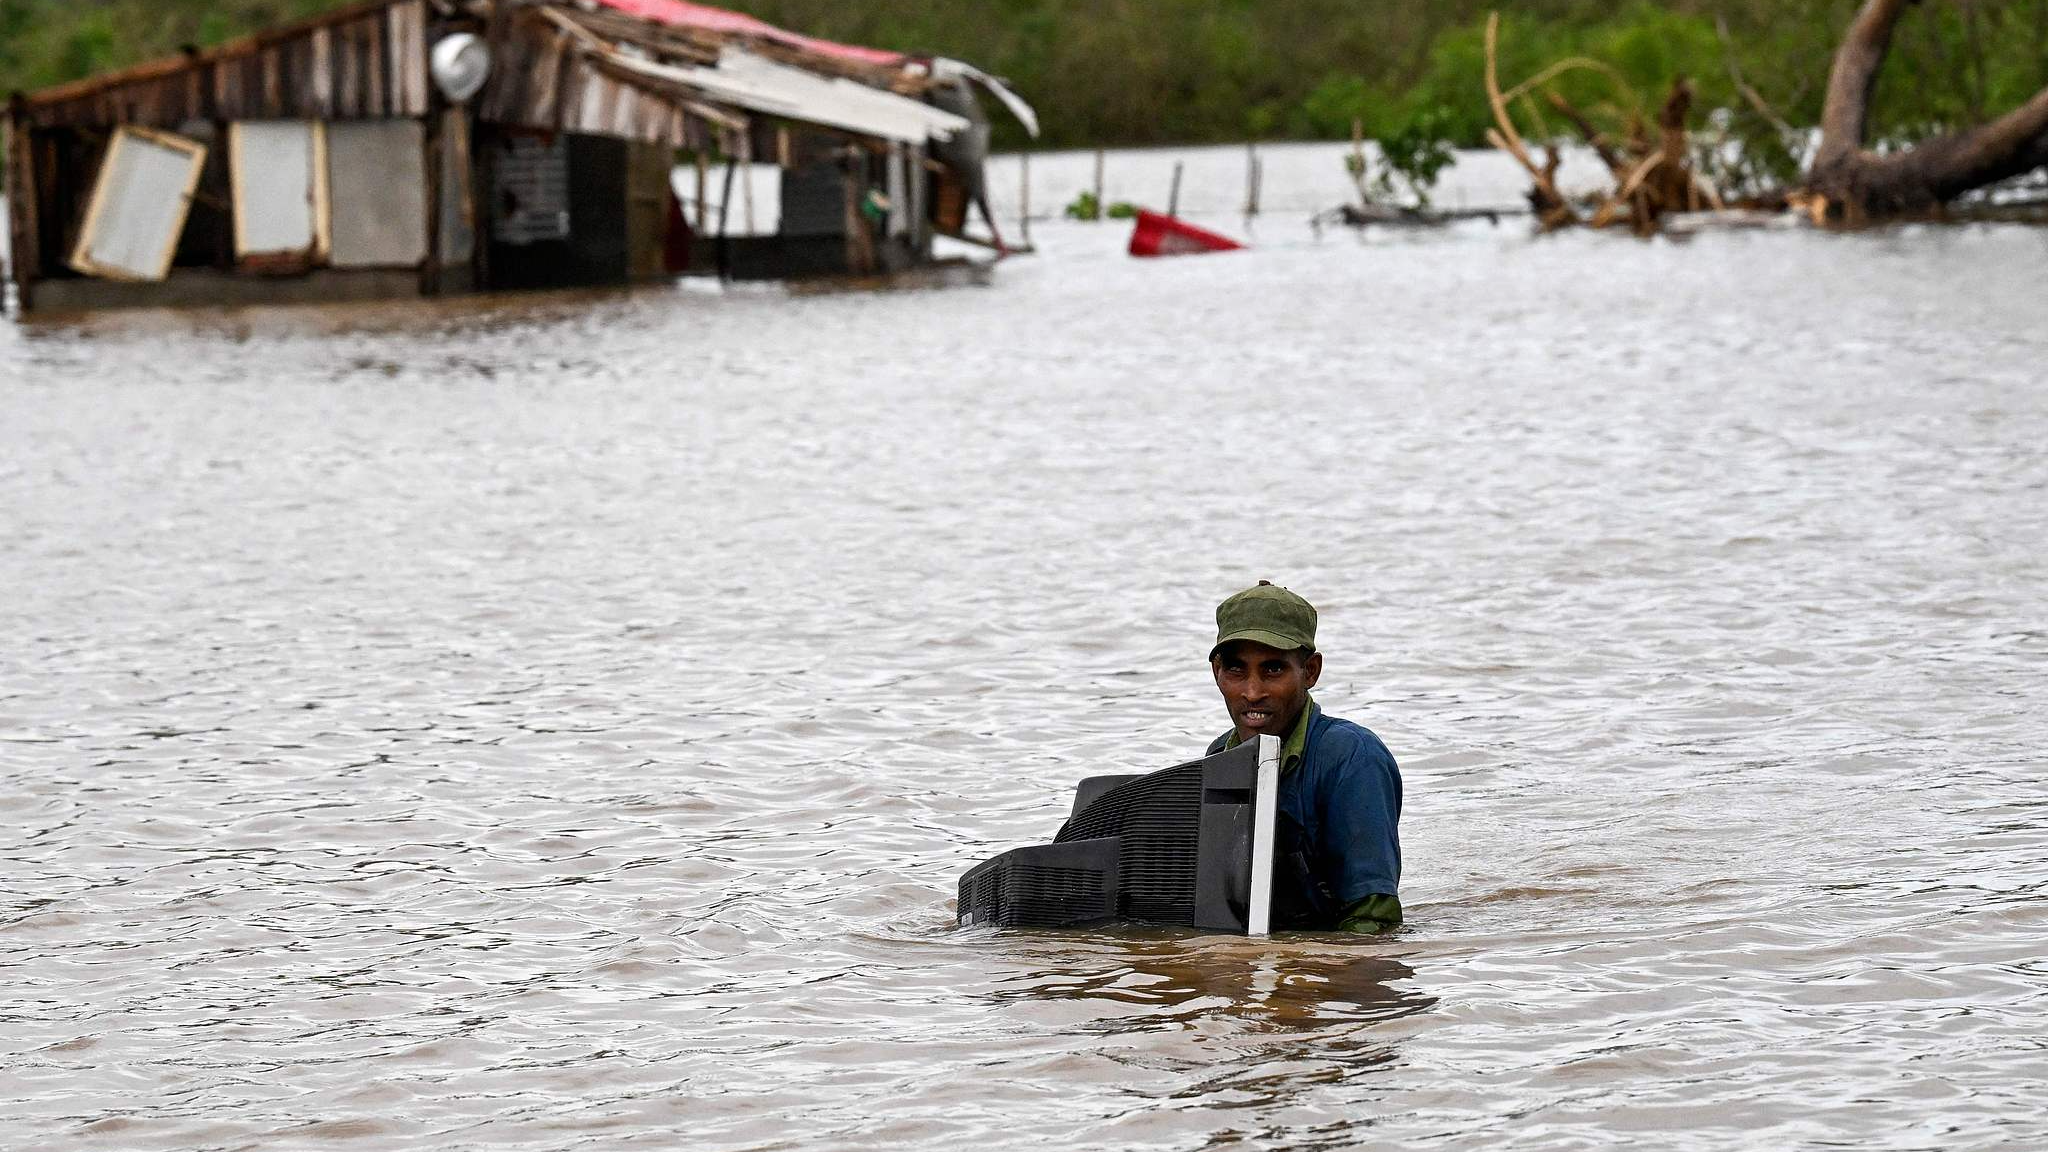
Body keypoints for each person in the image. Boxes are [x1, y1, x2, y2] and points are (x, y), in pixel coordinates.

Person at [1206, 581, 1403, 933]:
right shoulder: (1219, 757)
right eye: (1237, 670)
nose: (1252, 692)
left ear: (1310, 671)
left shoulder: (1352, 758)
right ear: (1217, 672)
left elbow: (1374, 922)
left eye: (1273, 669)